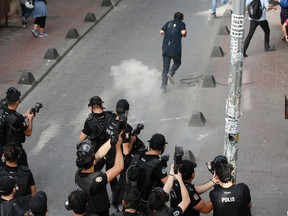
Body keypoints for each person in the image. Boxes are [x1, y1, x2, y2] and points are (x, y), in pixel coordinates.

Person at [75, 136, 124, 216]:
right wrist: (118, 146)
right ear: (94, 162)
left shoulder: (79, 171)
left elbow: (99, 154)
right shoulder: (95, 180)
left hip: (88, 209)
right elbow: (119, 167)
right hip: (99, 213)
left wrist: (111, 140)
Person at [128, 133, 168, 206]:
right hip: (148, 202)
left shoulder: (139, 153)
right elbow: (168, 183)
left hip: (132, 196)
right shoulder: (157, 165)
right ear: (163, 147)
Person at [0, 87, 35, 166]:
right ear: (17, 101)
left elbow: (9, 121)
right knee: (24, 173)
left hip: (1, 149)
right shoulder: (18, 118)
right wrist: (30, 119)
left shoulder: (2, 111)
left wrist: (24, 116)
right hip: (13, 151)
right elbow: (28, 132)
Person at [160, 12, 187, 92]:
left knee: (165, 68)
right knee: (178, 62)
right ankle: (171, 72)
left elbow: (161, 31)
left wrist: (168, 34)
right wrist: (184, 32)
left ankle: (163, 87)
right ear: (182, 19)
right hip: (175, 49)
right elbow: (183, 33)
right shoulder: (181, 24)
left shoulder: (168, 23)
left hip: (165, 48)